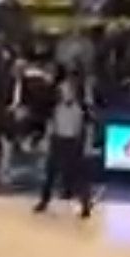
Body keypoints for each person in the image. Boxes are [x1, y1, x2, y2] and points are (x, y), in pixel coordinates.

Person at [35, 80, 91, 219]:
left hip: (73, 143)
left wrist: (87, 145)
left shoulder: (81, 109)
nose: (64, 93)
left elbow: (87, 128)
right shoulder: (56, 108)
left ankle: (85, 205)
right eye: (62, 91)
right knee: (50, 174)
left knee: (79, 176)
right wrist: (46, 141)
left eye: (66, 90)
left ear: (72, 92)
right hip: (58, 142)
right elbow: (51, 125)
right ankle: (44, 201)